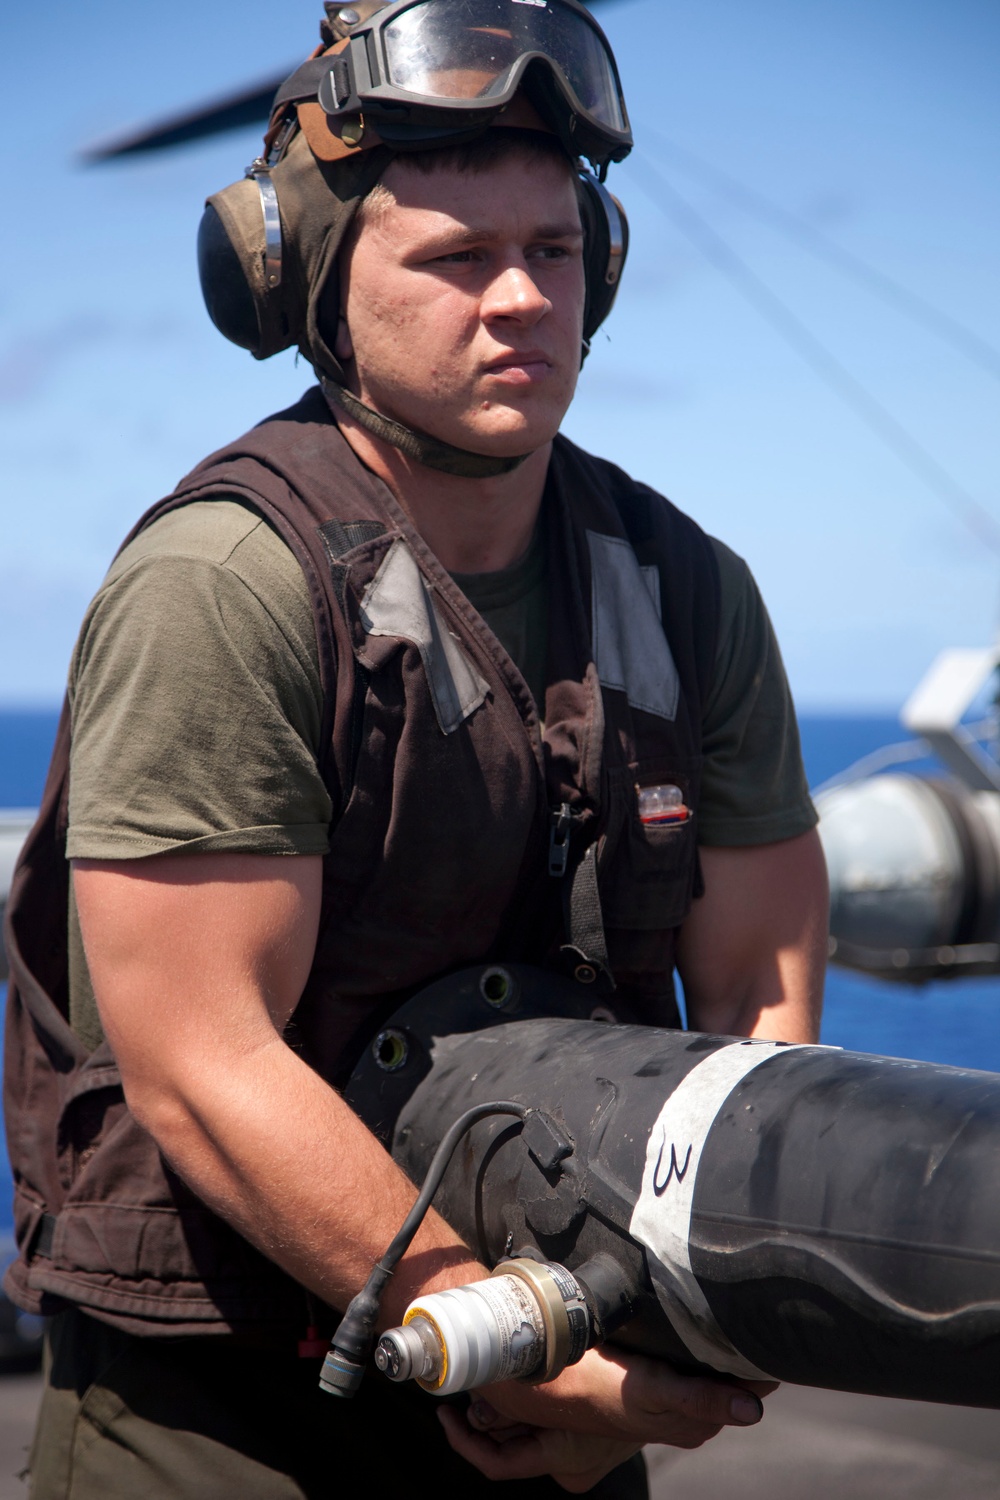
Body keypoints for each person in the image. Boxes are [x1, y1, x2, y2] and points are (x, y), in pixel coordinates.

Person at [4, 3, 827, 1494]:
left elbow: (768, 994)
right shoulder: (230, 583)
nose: (521, 298)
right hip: (230, 1412)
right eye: (456, 259)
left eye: (554, 251)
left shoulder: (680, 589)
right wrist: (486, 1327)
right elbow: (199, 1059)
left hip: (569, 1404)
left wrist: (706, 1317)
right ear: (309, 281)